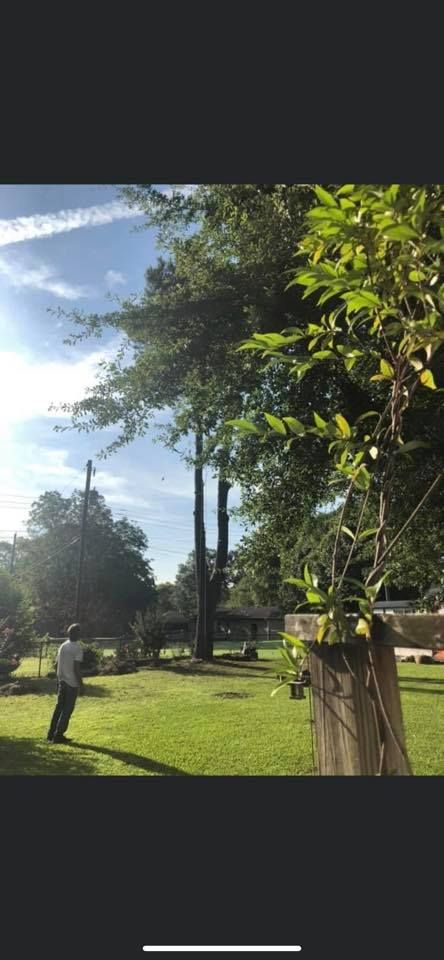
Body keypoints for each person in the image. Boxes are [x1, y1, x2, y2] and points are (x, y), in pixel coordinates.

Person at [47, 623, 84, 744]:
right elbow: (76, 669)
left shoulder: (63, 646)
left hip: (61, 681)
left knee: (59, 708)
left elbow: (56, 664)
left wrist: (58, 678)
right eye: (79, 632)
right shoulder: (77, 648)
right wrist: (81, 684)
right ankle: (58, 735)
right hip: (71, 683)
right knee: (67, 709)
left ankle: (51, 733)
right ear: (77, 634)